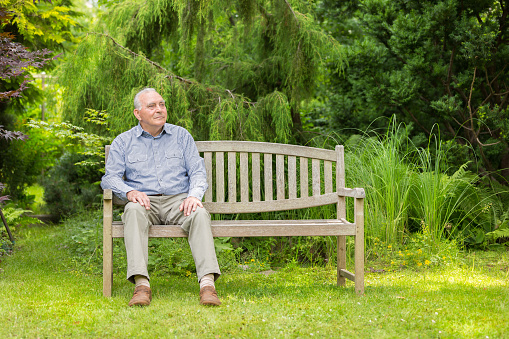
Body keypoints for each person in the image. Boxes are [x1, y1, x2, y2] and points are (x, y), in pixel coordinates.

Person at [101, 87, 221, 307]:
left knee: (199, 213)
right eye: (152, 106)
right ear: (138, 113)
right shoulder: (123, 142)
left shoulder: (181, 136)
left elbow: (197, 171)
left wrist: (194, 196)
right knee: (132, 210)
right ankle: (141, 285)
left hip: (179, 201)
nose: (159, 110)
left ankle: (207, 286)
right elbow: (109, 179)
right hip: (145, 203)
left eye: (162, 104)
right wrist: (130, 192)